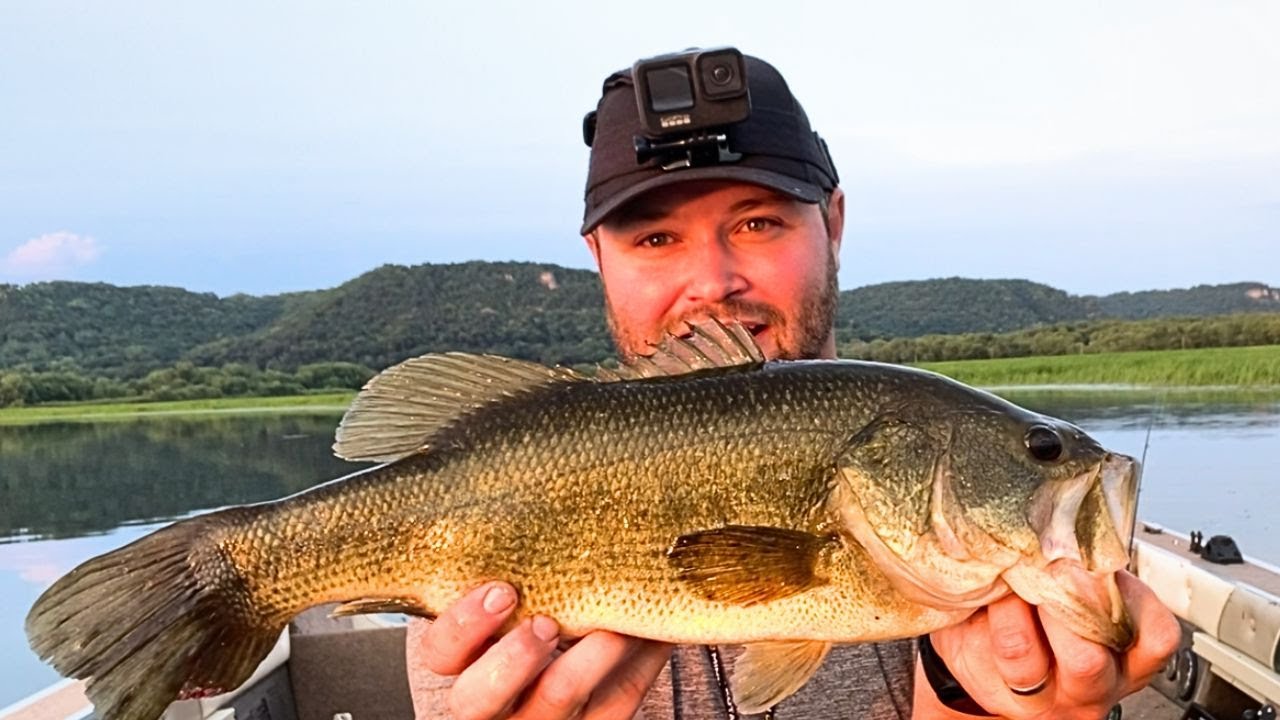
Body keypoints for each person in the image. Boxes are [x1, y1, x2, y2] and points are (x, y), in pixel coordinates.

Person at [405, 50, 1180, 719]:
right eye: (655, 238)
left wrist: (988, 701)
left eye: (757, 223)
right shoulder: (464, 575)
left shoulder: (1027, 568)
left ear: (833, 223)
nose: (711, 282)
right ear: (599, 260)